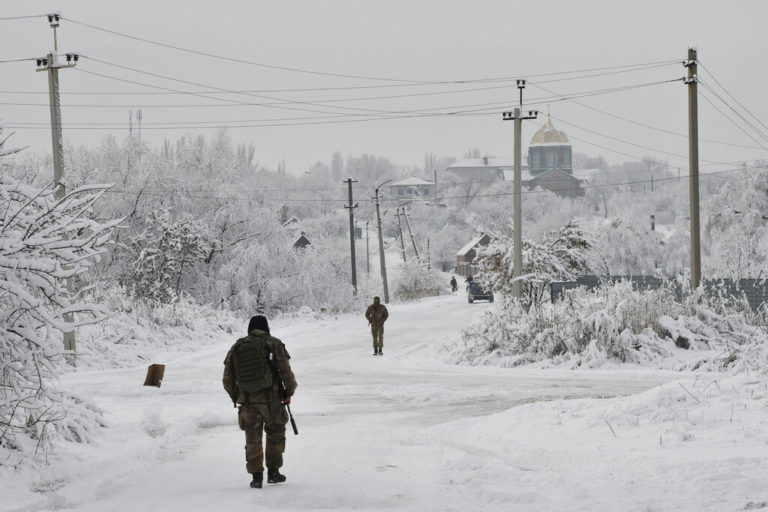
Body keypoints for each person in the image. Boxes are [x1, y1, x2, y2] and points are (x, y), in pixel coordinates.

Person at [223, 315, 298, 489]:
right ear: (266, 327)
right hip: (272, 401)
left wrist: (237, 397)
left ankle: (256, 478)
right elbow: (286, 372)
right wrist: (288, 392)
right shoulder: (274, 343)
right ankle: (273, 473)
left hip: (248, 403)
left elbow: (227, 379)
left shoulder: (237, 347)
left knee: (252, 438)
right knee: (275, 434)